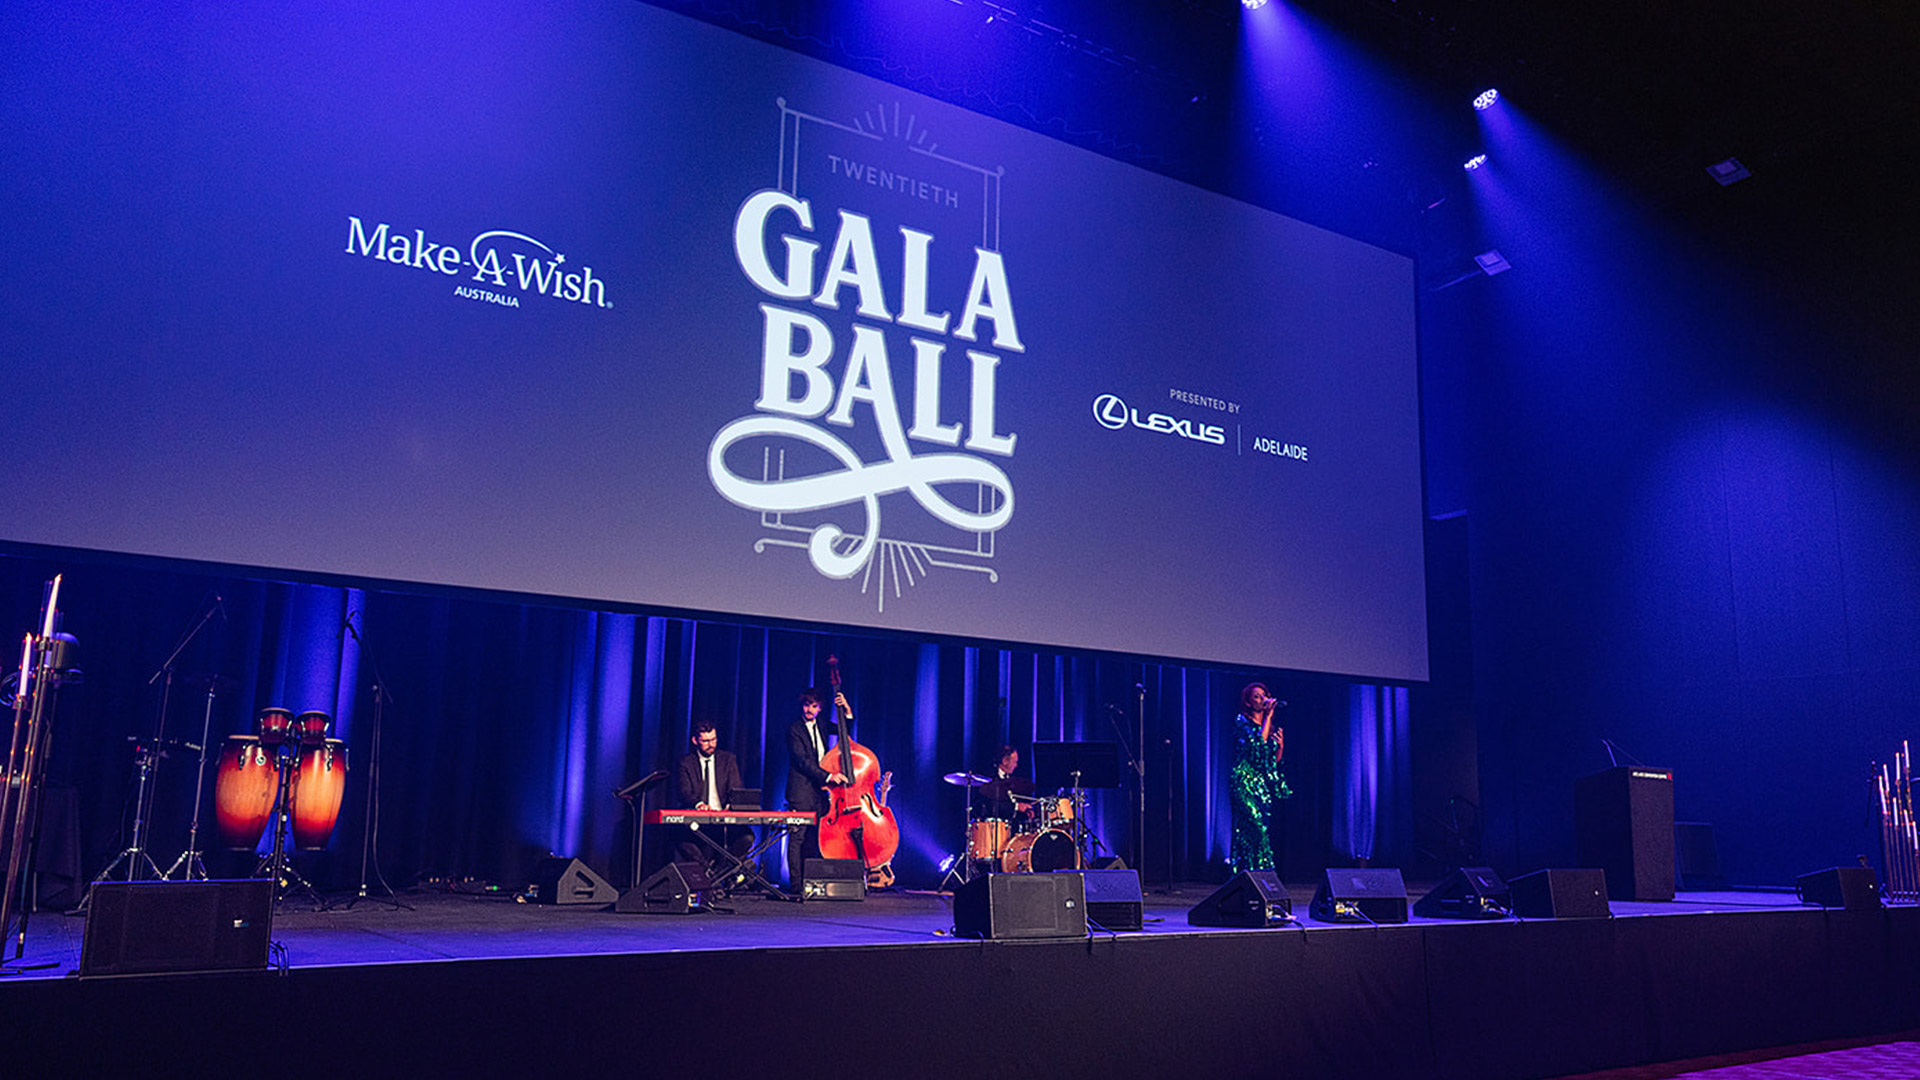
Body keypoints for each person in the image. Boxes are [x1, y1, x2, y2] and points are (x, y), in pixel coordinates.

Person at [784, 686, 849, 887]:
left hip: (819, 792)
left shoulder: (821, 724)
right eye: (806, 705)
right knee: (798, 838)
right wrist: (829, 776)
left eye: (814, 706)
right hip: (800, 791)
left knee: (815, 838)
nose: (809, 710)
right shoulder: (794, 729)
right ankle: (796, 885)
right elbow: (802, 761)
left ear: (820, 708)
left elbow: (844, 730)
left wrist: (846, 709)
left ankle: (810, 882)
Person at [672, 719, 755, 874]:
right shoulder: (686, 763)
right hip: (697, 821)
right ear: (695, 740)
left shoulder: (727, 760)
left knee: (747, 837)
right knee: (679, 836)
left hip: (723, 819)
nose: (710, 744)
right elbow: (684, 792)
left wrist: (732, 805)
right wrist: (698, 804)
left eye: (713, 739)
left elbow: (736, 788)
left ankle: (717, 873)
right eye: (705, 741)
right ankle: (708, 873)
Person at [1230, 681, 1292, 874]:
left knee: (1258, 830)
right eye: (1257, 696)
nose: (1262, 699)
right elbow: (1257, 746)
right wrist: (1268, 716)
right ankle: (1260, 872)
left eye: (1264, 695)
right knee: (1255, 826)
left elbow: (1270, 761)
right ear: (1249, 702)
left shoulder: (1270, 727)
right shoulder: (1242, 721)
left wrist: (1280, 748)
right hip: (1243, 781)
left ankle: (1252, 873)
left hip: (1260, 786)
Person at [973, 745, 1035, 825]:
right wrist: (1017, 806)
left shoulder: (1013, 779)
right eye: (1014, 762)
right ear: (1004, 761)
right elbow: (993, 806)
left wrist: (1026, 811)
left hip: (1011, 825)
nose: (1016, 766)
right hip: (992, 826)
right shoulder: (990, 778)